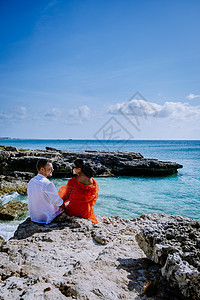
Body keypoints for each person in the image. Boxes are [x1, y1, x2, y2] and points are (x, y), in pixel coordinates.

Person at [58, 159, 99, 224]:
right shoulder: (93, 181)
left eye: (73, 167)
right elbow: (94, 197)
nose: (72, 169)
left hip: (74, 211)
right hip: (87, 212)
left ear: (79, 169)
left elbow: (65, 197)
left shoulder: (72, 181)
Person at [27, 158, 65, 224]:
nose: (52, 170)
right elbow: (58, 202)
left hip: (34, 217)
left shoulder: (31, 181)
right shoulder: (47, 183)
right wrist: (64, 206)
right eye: (50, 168)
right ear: (42, 169)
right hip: (46, 218)